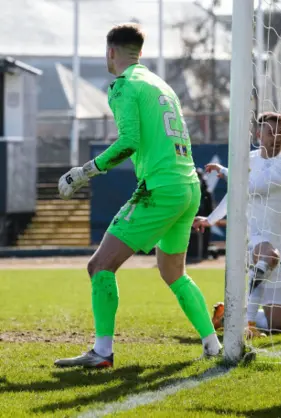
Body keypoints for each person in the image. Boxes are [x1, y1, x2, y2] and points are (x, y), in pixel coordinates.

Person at [55, 23, 221, 368]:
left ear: (111, 52)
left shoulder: (124, 86)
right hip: (188, 186)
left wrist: (84, 171)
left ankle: (102, 352)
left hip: (160, 188)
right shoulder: (161, 85)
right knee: (174, 273)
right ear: (140, 52)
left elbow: (128, 141)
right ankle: (213, 345)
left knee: (99, 265)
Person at [193, 112, 281, 338]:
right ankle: (247, 322)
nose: (277, 136)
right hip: (253, 239)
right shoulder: (248, 160)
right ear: (258, 134)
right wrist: (209, 219)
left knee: (278, 325)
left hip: (275, 242)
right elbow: (236, 194)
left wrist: (224, 171)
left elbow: (256, 186)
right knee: (267, 257)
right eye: (271, 132)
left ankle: (229, 317)